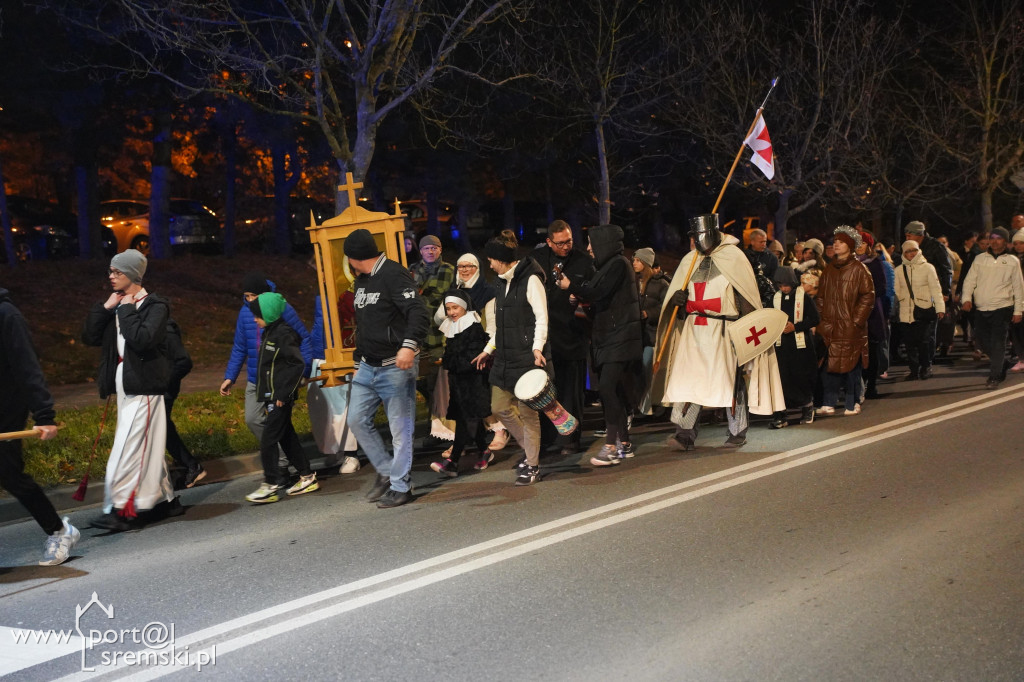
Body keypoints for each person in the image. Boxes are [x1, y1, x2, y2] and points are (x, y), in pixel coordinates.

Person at [651, 214, 785, 450]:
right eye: (694, 237)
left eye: (700, 236)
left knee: (730, 381)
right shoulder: (689, 261)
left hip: (724, 329)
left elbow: (745, 296)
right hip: (694, 330)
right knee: (689, 381)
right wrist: (677, 301)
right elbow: (675, 305)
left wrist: (744, 334)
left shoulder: (733, 257)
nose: (697, 242)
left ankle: (737, 431)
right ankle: (684, 434)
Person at [82, 250, 177, 531]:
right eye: (110, 272)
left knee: (128, 448)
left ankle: (120, 509)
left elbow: (143, 340)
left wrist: (125, 309)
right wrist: (107, 307)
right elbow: (88, 336)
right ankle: (166, 501)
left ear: (133, 275)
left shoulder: (155, 305)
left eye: (117, 272)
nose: (111, 277)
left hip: (144, 385)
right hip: (126, 383)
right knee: (146, 446)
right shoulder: (118, 304)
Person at [344, 229, 429, 508]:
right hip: (368, 366)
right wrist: (358, 362)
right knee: (356, 419)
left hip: (395, 365)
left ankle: (401, 486)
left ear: (352, 258)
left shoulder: (394, 274)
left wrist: (408, 345)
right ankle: (385, 471)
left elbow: (418, 311)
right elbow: (364, 326)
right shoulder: (361, 282)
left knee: (400, 429)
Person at [1, 285, 80, 565]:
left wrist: (44, 414)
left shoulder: (7, 315)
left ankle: (60, 531)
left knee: (9, 474)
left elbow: (27, 366)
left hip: (6, 407)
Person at [558, 224, 644, 465]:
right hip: (609, 337)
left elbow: (599, 291)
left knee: (606, 388)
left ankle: (611, 446)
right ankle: (624, 443)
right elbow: (599, 297)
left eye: (591, 243)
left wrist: (572, 287)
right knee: (612, 389)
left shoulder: (618, 264)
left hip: (619, 338)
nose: (588, 248)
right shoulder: (607, 266)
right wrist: (581, 296)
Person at [473, 230, 550, 485]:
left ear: (501, 259)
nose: (489, 263)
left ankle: (533, 464)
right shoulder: (500, 283)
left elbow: (541, 317)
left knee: (529, 415)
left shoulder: (530, 280)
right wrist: (489, 349)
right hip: (505, 357)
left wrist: (538, 347)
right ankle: (529, 450)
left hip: (527, 358)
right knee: (499, 407)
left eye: (491, 259)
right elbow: (501, 326)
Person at [220, 272, 311, 455]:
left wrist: (305, 371)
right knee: (252, 419)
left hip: (279, 378)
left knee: (280, 424)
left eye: (255, 295)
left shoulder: (281, 308)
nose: (251, 299)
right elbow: (239, 347)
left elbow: (304, 339)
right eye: (247, 296)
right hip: (256, 378)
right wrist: (230, 376)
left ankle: (286, 463)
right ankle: (280, 456)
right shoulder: (245, 313)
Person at [244, 293, 319, 503]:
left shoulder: (283, 334)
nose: (254, 319)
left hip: (280, 397)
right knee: (286, 436)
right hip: (272, 396)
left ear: (268, 314)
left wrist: (283, 394)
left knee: (269, 439)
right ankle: (307, 476)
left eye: (257, 315)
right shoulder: (269, 332)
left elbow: (297, 365)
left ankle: (270, 483)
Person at [432, 252, 509, 455]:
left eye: (469, 266)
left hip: (482, 347)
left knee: (485, 395)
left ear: (478, 268)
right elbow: (439, 318)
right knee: (460, 398)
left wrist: (487, 350)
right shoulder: (454, 291)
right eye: (461, 266)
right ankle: (463, 442)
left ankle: (499, 431)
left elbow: (493, 324)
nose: (465, 270)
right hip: (460, 352)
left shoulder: (487, 291)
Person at [531, 220, 594, 455]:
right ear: (549, 241)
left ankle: (571, 438)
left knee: (572, 390)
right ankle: (547, 437)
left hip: (572, 335)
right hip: (545, 337)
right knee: (547, 391)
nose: (566, 246)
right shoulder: (537, 258)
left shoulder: (583, 261)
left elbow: (590, 291)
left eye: (568, 241)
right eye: (560, 243)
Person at [429, 289, 493, 477]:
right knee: (469, 418)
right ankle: (484, 451)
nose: (451, 312)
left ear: (464, 307)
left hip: (473, 380)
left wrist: (452, 361)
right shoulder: (451, 327)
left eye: (455, 308)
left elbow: (471, 358)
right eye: (448, 309)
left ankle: (453, 462)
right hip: (458, 381)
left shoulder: (473, 327)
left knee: (467, 419)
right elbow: (451, 356)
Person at [814, 226, 875, 417]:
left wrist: (856, 321)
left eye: (841, 242)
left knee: (851, 365)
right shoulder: (829, 269)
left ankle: (853, 401)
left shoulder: (859, 269)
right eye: (835, 241)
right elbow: (821, 296)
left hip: (850, 326)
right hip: (830, 325)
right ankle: (828, 402)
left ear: (849, 245)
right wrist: (822, 318)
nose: (836, 244)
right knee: (829, 365)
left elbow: (868, 297)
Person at [960, 226, 1024, 389]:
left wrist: (1018, 310)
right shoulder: (980, 259)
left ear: (1005, 240)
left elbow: (1018, 287)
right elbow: (969, 281)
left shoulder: (1012, 261)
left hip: (1003, 307)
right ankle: (1001, 362)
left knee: (998, 342)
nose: (995, 241)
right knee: (981, 340)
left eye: (999, 238)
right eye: (992, 237)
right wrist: (966, 298)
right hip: (981, 308)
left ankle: (994, 376)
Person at [409, 234, 456, 417]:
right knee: (422, 383)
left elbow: (447, 299)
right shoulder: (412, 270)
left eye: (434, 248)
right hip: (419, 337)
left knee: (440, 384)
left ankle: (442, 424)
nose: (430, 251)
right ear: (420, 251)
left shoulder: (448, 270)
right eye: (427, 248)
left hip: (440, 336)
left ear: (440, 250)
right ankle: (433, 422)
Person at [768, 267, 819, 427]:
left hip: (801, 346)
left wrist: (795, 327)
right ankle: (781, 414)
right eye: (780, 285)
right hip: (782, 346)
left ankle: (807, 408)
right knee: (782, 379)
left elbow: (815, 319)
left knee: (801, 377)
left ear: (792, 283)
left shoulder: (803, 296)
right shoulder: (775, 298)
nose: (783, 289)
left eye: (786, 285)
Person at [894, 240, 946, 381]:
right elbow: (896, 291)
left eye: (913, 250)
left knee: (924, 341)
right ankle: (914, 369)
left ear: (918, 250)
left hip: (924, 309)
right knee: (910, 343)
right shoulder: (899, 270)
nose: (911, 254)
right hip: (906, 312)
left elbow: (936, 289)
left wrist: (940, 308)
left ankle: (926, 366)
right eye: (907, 251)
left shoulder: (928, 268)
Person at [164, 318, 206, 488]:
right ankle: (186, 465)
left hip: (163, 389)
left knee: (162, 428)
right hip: (154, 388)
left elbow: (184, 362)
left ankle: (191, 465)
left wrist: (162, 382)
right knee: (163, 428)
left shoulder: (165, 330)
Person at [634, 247, 669, 415]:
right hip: (639, 335)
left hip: (653, 334)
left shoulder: (661, 284)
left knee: (648, 368)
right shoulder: (636, 282)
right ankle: (643, 406)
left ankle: (651, 406)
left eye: (638, 260)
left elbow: (666, 306)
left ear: (646, 263)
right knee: (641, 370)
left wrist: (649, 314)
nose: (634, 263)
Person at [856, 231, 890, 398]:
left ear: (868, 245)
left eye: (862, 243)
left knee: (872, 348)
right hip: (853, 312)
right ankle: (857, 384)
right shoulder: (848, 262)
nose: (859, 247)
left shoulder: (875, 263)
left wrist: (865, 295)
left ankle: (871, 385)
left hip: (872, 311)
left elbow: (882, 288)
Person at [1010, 230, 1024, 372]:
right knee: (1017, 328)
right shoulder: (1011, 258)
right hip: (1014, 298)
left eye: (1022, 243)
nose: (1019, 246)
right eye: (1016, 243)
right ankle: (1021, 358)